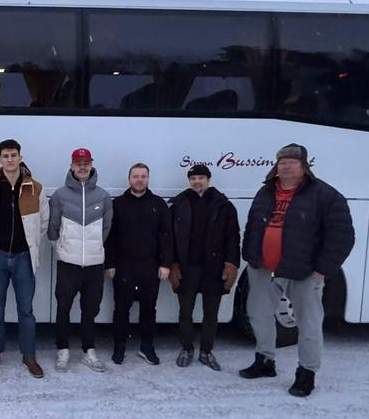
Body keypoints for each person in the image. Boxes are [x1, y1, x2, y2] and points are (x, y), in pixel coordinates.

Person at [240, 143, 355, 397]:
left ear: (304, 166)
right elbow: (252, 225)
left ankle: (306, 373)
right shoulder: (265, 192)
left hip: (303, 271)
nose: (286, 167)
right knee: (258, 315)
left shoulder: (325, 195)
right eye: (282, 163)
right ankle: (265, 360)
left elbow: (342, 238)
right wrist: (250, 255)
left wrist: (322, 271)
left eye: (292, 162)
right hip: (263, 267)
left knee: (308, 324)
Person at [0, 139, 49, 378]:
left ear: (20, 157)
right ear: (0, 159)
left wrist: (29, 244)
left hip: (23, 257)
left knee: (26, 310)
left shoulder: (35, 187)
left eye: (13, 155)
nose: (10, 159)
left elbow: (43, 223)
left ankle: (29, 356)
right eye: (5, 156)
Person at [169, 163, 240, 371]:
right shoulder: (179, 204)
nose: (197, 182)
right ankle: (187, 348)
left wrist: (231, 264)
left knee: (211, 313)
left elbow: (233, 238)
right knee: (185, 311)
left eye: (201, 178)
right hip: (187, 267)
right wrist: (172, 264)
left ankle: (206, 351)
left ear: (208, 180)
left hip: (214, 268)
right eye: (193, 179)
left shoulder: (224, 206)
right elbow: (170, 238)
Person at [47, 147, 112, 372]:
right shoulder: (60, 195)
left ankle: (88, 351)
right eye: (78, 164)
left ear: (91, 165)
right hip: (68, 263)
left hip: (94, 264)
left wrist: (94, 247)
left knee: (90, 309)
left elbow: (106, 228)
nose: (82, 167)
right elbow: (53, 227)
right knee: (63, 308)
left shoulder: (103, 196)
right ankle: (62, 350)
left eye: (86, 163)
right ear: (72, 166)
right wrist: (62, 248)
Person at [105, 163, 173, 366]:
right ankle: (119, 347)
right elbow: (110, 237)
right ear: (129, 179)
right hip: (123, 266)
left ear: (148, 179)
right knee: (121, 309)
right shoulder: (118, 204)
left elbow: (166, 236)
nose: (140, 180)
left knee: (148, 309)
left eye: (143, 176)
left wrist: (165, 264)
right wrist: (110, 263)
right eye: (136, 176)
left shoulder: (158, 204)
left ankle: (147, 347)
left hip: (150, 266)